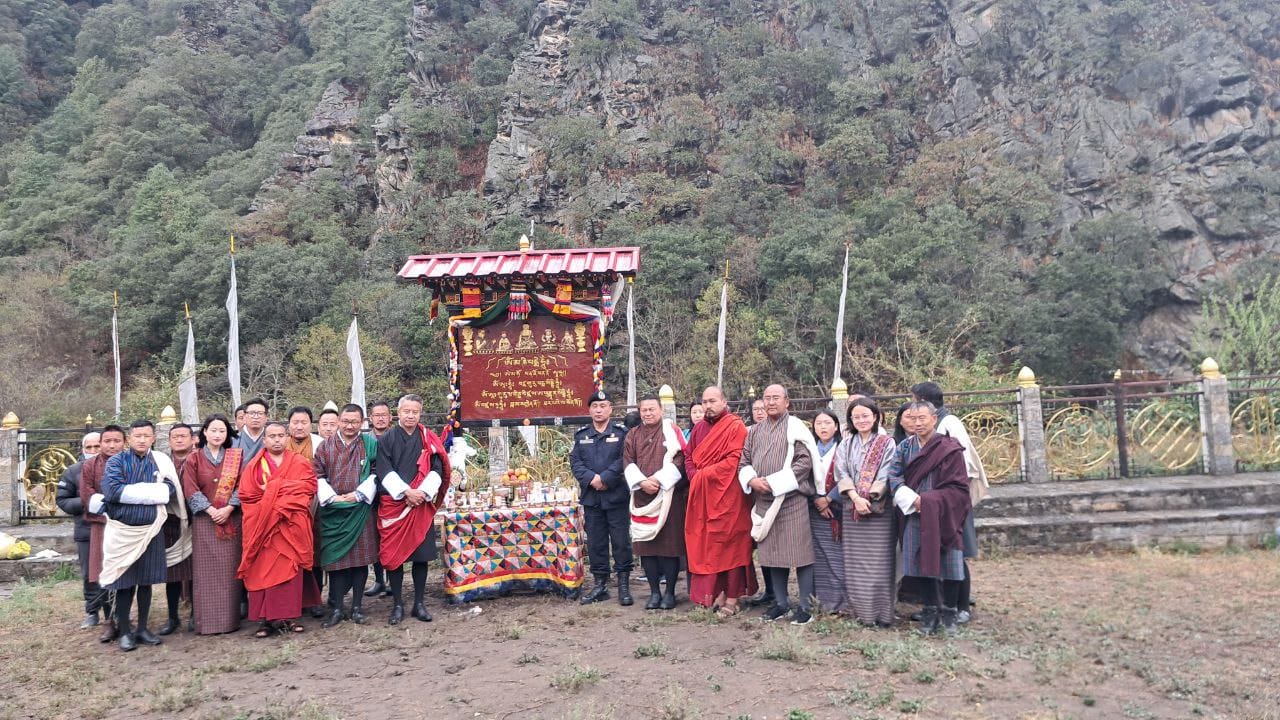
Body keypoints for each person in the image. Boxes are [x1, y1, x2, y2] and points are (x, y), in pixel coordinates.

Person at [93, 420, 185, 652]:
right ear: (129, 439)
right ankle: (124, 631)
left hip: (153, 529)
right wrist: (152, 492)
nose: (142, 440)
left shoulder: (161, 461)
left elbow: (170, 490)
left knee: (146, 582)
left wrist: (136, 491)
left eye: (146, 435)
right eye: (137, 436)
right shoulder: (116, 461)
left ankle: (142, 628)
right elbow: (112, 491)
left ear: (153, 438)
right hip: (123, 529)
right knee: (125, 582)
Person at [739, 385, 819, 625]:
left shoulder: (796, 427)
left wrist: (774, 483)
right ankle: (781, 603)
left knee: (800, 553)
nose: (771, 402)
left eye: (776, 398)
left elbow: (805, 462)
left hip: (791, 498)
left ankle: (805, 605)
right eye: (767, 398)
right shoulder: (754, 431)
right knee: (771, 553)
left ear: (787, 402)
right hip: (763, 499)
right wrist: (753, 480)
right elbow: (744, 459)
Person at [889, 401, 972, 635]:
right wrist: (909, 498)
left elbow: (959, 486)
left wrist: (927, 501)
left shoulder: (949, 447)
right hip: (914, 514)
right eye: (912, 418)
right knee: (920, 562)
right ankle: (930, 612)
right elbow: (893, 476)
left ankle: (949, 614)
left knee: (951, 564)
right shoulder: (905, 447)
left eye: (922, 418)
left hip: (946, 516)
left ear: (934, 419)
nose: (917, 423)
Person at [910, 382, 988, 624]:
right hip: (930, 504)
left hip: (951, 502)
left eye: (916, 401)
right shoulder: (922, 434)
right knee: (933, 553)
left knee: (956, 551)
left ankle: (961, 606)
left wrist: (946, 496)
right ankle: (937, 606)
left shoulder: (949, 424)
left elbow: (961, 464)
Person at [237, 422, 321, 637]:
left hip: (289, 526)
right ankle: (265, 620)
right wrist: (276, 498)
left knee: (290, 574)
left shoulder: (299, 462)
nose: (276, 440)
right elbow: (247, 495)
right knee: (262, 572)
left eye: (281, 435)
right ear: (264, 440)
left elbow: (308, 488)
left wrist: (273, 489)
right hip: (264, 528)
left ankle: (290, 617)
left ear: (287, 438)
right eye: (272, 436)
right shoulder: (254, 466)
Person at [376, 394, 451, 625]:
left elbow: (437, 468)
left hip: (420, 504)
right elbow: (383, 469)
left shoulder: (428, 437)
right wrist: (406, 492)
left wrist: (422, 493)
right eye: (406, 411)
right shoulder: (387, 438)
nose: (410, 416)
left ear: (420, 413)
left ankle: (419, 603)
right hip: (396, 504)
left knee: (421, 556)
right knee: (394, 557)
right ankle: (397, 604)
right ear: (398, 412)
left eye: (415, 412)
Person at [683, 386, 755, 617]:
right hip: (703, 497)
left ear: (724, 402)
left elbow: (734, 459)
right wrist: (695, 476)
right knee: (709, 546)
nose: (708, 406)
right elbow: (688, 456)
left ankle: (732, 599)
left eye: (712, 401)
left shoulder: (735, 426)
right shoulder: (699, 429)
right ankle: (719, 594)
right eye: (704, 402)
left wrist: (702, 475)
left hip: (729, 497)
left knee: (731, 546)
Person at [313, 404, 379, 627]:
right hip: (333, 510)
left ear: (362, 422)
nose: (350, 426)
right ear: (339, 421)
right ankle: (338, 608)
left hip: (360, 509)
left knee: (360, 562)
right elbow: (318, 475)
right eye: (346, 421)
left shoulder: (370, 444)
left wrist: (358, 495)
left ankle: (358, 607)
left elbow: (377, 472)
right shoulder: (325, 447)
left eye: (355, 422)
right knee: (336, 562)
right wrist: (334, 498)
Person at [833, 398, 897, 627]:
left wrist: (869, 497)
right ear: (850, 419)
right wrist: (855, 498)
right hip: (853, 511)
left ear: (876, 416)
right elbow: (841, 472)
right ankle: (862, 614)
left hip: (878, 511)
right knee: (856, 564)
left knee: (880, 564)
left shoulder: (887, 443)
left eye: (865, 415)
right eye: (856, 416)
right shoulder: (845, 444)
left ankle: (883, 614)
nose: (861, 420)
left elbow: (888, 474)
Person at [181, 414, 244, 635]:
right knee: (205, 573)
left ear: (228, 434)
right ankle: (207, 622)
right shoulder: (194, 458)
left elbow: (242, 486)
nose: (217, 435)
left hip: (231, 519)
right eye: (213, 430)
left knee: (229, 571)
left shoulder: (235, 457)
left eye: (222, 431)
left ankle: (229, 621)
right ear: (205, 432)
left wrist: (228, 508)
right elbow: (190, 488)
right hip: (204, 521)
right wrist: (210, 510)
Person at [623, 396, 687, 610]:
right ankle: (653, 593)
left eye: (652, 409)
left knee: (669, 547)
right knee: (646, 548)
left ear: (661, 410)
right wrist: (642, 482)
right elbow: (627, 461)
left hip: (668, 496)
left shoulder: (672, 431)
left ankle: (669, 593)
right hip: (642, 495)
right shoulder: (632, 435)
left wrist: (659, 480)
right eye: (644, 410)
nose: (647, 413)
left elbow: (681, 458)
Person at [570, 390, 632, 606]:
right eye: (595, 406)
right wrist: (592, 479)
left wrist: (604, 478)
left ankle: (623, 583)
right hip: (592, 498)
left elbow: (623, 459)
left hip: (616, 495)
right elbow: (576, 463)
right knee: (596, 543)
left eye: (603, 406)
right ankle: (600, 584)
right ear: (590, 410)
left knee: (621, 542)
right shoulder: (581, 435)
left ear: (610, 409)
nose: (599, 410)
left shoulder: (621, 433)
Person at [79, 424, 125, 643]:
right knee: (104, 575)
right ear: (102, 443)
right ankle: (109, 620)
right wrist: (108, 513)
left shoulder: (130, 461)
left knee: (126, 574)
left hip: (126, 526)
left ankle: (124, 618)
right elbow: (87, 495)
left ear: (124, 442)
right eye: (107, 441)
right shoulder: (90, 466)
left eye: (117, 441)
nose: (112, 445)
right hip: (101, 526)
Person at [55, 432, 100, 628]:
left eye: (96, 447)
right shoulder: (73, 471)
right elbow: (62, 500)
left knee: (113, 571)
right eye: (88, 448)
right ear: (83, 449)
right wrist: (87, 501)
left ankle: (113, 611)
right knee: (89, 574)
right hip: (86, 530)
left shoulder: (116, 467)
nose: (92, 451)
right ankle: (92, 611)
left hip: (112, 530)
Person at [159, 423, 196, 635]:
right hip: (170, 521)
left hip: (194, 520)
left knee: (194, 572)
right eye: (175, 436)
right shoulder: (162, 462)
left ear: (192, 439)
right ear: (169, 440)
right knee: (172, 573)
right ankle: (172, 617)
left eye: (183, 436)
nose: (179, 440)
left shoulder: (197, 459)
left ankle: (194, 615)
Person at [807, 409, 844, 614]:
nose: (823, 427)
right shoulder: (809, 449)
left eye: (827, 423)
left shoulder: (843, 448)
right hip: (814, 508)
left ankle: (838, 602)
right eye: (819, 423)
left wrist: (829, 499)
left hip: (836, 508)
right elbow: (803, 476)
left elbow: (848, 475)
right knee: (816, 557)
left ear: (836, 426)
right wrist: (816, 500)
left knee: (835, 556)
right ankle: (818, 601)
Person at [363, 399, 395, 599]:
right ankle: (379, 580)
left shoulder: (395, 436)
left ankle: (394, 578)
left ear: (390, 418)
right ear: (370, 419)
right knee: (374, 537)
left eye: (384, 415)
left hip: (392, 494)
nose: (381, 418)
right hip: (370, 494)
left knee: (391, 536)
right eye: (377, 415)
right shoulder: (365, 440)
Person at [234, 398, 269, 465]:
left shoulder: (273, 439)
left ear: (266, 418)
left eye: (260, 413)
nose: (256, 417)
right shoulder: (232, 441)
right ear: (244, 417)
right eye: (251, 413)